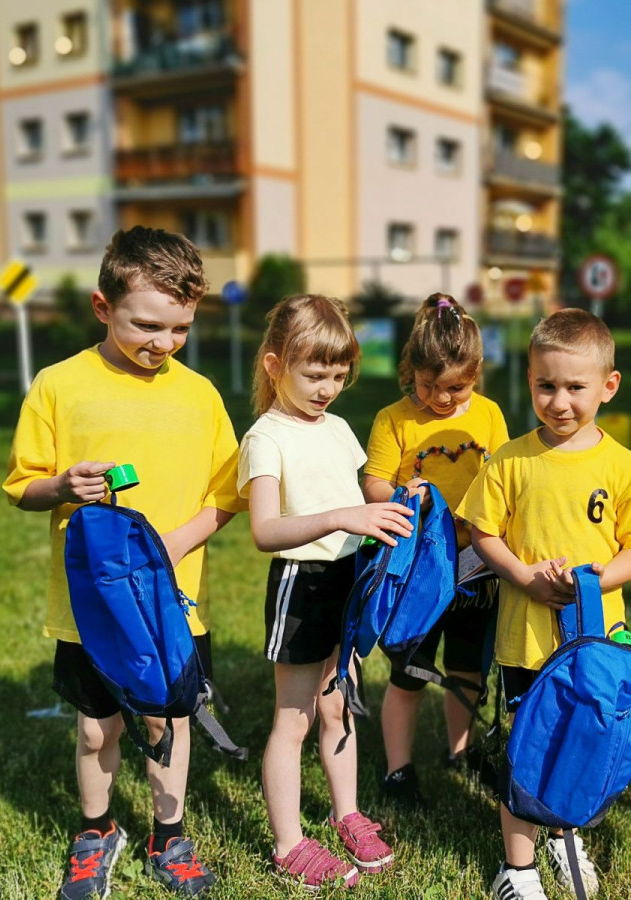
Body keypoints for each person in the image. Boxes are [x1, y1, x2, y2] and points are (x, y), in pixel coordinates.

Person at [2, 226, 245, 898]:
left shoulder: (199, 395)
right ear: (102, 307)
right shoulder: (59, 386)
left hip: (171, 606)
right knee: (94, 727)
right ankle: (97, 827)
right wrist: (62, 487)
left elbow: (229, 494)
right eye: (146, 324)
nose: (162, 343)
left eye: (180, 329)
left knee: (167, 722)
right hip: (91, 609)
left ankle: (169, 835)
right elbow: (23, 486)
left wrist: (174, 544)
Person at [457, 308, 631, 900]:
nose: (560, 402)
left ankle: (562, 831)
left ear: (609, 385)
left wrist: (599, 581)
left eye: (576, 388)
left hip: (595, 646)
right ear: (529, 381)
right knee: (529, 745)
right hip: (528, 640)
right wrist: (524, 576)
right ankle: (518, 870)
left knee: (580, 740)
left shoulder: (624, 467)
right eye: (546, 386)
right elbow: (483, 534)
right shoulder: (510, 460)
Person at [239, 295, 415, 890]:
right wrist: (342, 516)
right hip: (301, 582)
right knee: (294, 718)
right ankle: (288, 843)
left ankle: (347, 814)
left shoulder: (338, 428)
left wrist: (395, 501)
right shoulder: (266, 437)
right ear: (273, 365)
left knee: (339, 704)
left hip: (346, 581)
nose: (327, 389)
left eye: (339, 376)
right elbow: (265, 531)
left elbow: (360, 502)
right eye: (315, 374)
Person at [362, 293, 509, 804]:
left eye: (456, 388)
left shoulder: (489, 415)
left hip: (474, 567)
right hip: (419, 568)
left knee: (469, 666)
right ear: (412, 370)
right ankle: (398, 770)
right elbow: (374, 485)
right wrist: (410, 498)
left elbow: (502, 480)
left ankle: (461, 752)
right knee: (409, 671)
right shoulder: (394, 419)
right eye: (429, 386)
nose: (442, 399)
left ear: (477, 372)